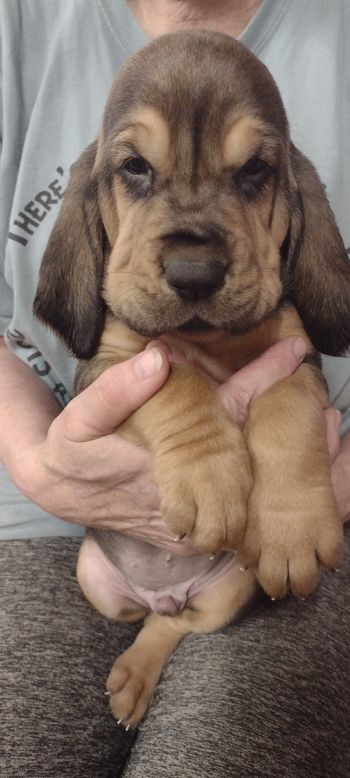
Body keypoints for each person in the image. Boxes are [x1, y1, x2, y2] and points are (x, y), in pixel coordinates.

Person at [0, 1, 349, 776]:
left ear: (292, 198)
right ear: (98, 195)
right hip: (59, 527)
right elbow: (122, 368)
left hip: (278, 536)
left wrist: (311, 480)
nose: (193, 265)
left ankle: (166, 633)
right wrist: (33, 461)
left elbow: (299, 366)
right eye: (138, 171)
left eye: (251, 172)